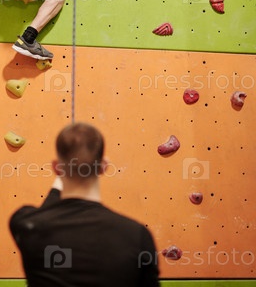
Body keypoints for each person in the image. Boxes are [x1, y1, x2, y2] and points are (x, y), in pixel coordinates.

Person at [9, 122, 160, 286]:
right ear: (104, 166)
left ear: (56, 168)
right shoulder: (136, 235)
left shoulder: (27, 225)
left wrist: (63, 172)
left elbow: (44, 215)